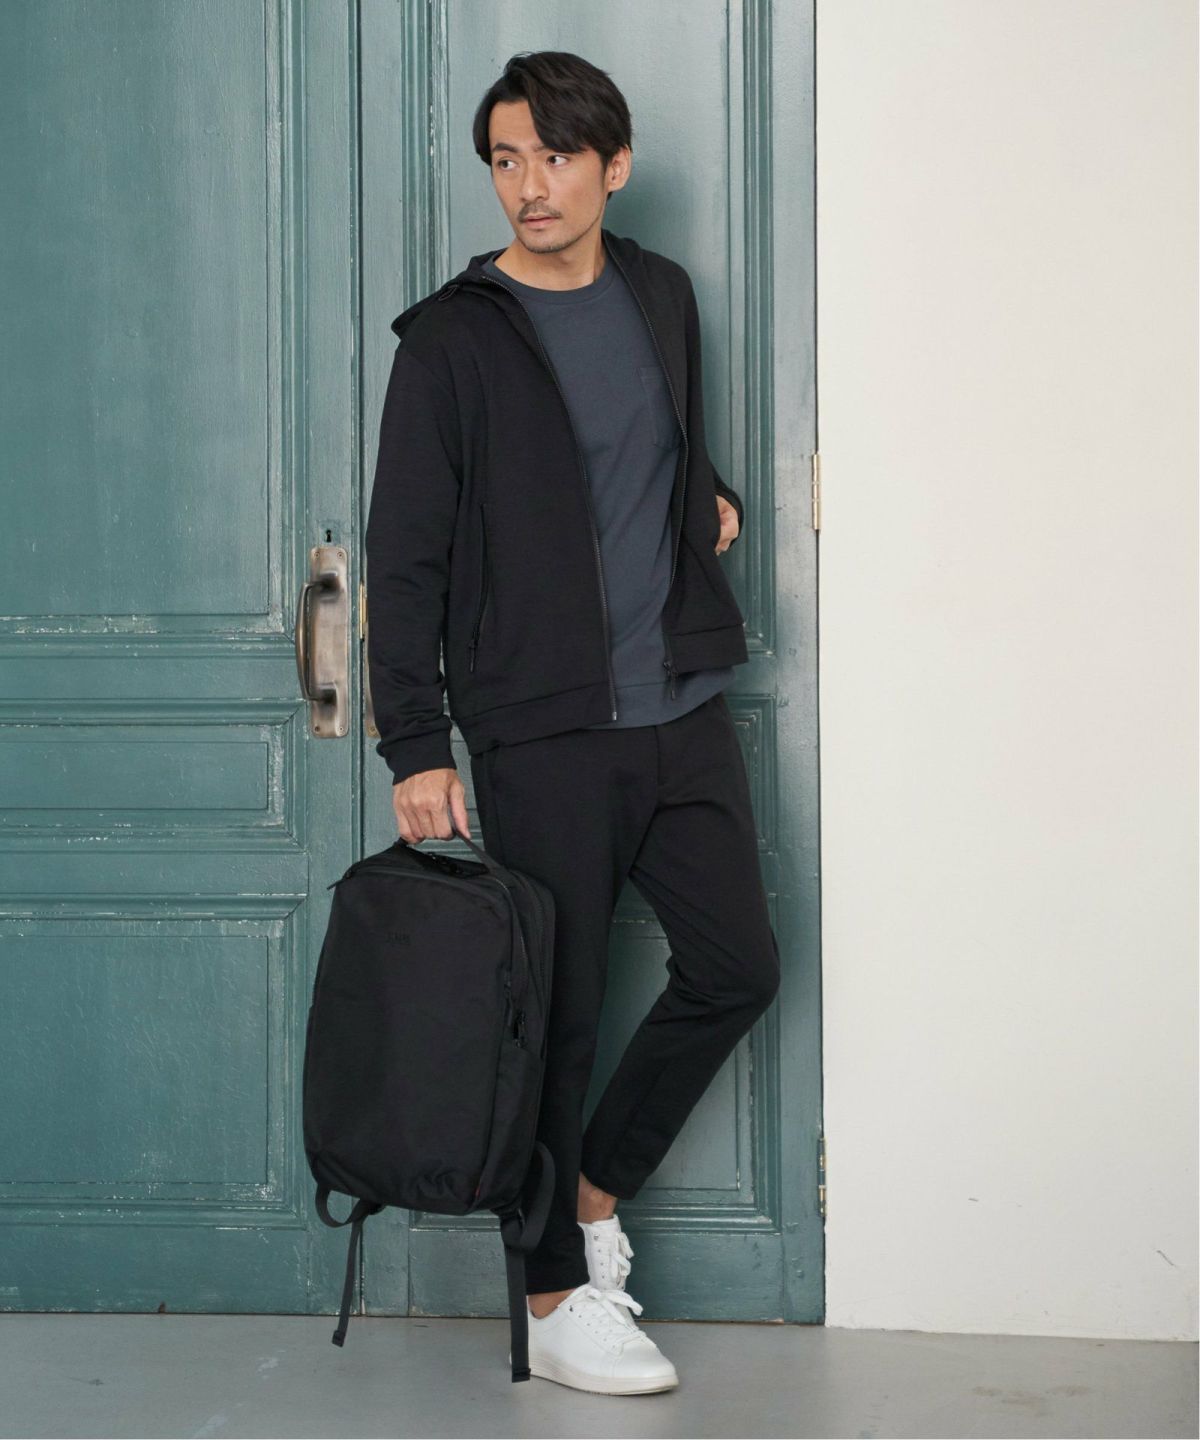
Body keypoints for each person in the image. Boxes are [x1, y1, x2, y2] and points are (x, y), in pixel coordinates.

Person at [365, 49, 780, 1396]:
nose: (529, 185)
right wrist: (415, 743)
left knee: (738, 967)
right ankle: (550, 1295)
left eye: (554, 156)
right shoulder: (451, 339)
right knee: (557, 1016)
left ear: (614, 164)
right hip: (542, 728)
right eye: (506, 159)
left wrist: (707, 500)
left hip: (683, 704)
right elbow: (406, 554)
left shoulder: (660, 293)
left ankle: (594, 1196)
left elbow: (652, 443)